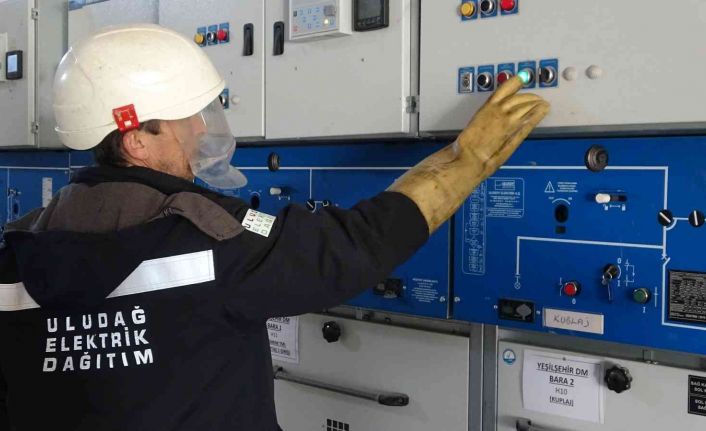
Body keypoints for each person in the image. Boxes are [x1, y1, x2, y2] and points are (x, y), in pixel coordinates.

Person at [0, 24, 548, 430]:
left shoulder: (17, 248)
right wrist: (466, 159)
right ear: (137, 138)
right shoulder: (209, 241)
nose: (200, 130)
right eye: (186, 118)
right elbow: (354, 245)